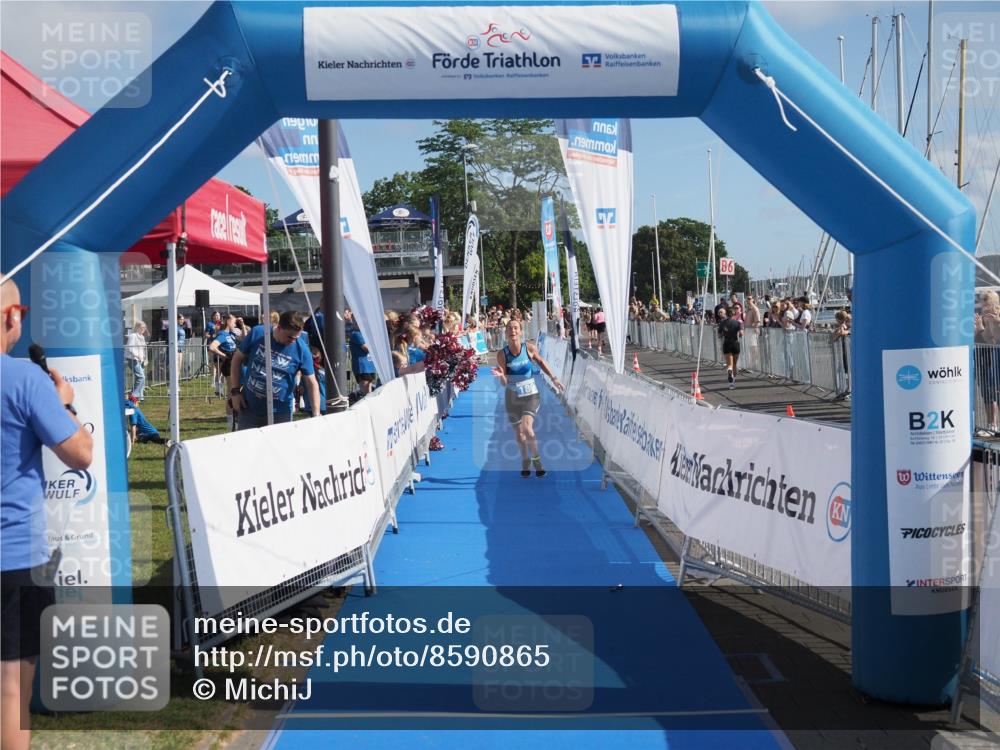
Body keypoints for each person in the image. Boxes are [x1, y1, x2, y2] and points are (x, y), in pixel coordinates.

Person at [1, 279, 93, 750]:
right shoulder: (24, 379)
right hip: (16, 556)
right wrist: (66, 405)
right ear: (12, 316)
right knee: (12, 690)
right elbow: (81, 454)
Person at [493, 319, 563, 478]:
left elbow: (542, 362)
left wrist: (554, 378)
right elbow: (504, 382)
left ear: (520, 331)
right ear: (506, 333)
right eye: (509, 328)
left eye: (516, 328)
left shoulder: (529, 348)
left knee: (527, 428)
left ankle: (537, 459)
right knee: (519, 434)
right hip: (512, 395)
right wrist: (501, 376)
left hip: (530, 394)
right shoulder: (502, 354)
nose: (513, 331)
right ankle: (525, 460)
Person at [229, 310, 321, 429]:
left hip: (280, 412)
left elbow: (311, 382)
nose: (292, 341)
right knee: (248, 446)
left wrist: (316, 414)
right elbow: (237, 359)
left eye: (296, 337)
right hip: (250, 408)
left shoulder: (302, 349)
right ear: (279, 328)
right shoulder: (258, 333)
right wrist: (235, 392)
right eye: (289, 337)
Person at [348, 320, 377, 396]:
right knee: (366, 392)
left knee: (369, 391)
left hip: (370, 366)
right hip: (362, 367)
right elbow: (367, 348)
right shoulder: (356, 334)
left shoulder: (366, 335)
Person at [717, 307, 743, 389]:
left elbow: (719, 335)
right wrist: (738, 334)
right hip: (735, 343)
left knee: (729, 364)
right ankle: (733, 383)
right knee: (735, 364)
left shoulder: (722, 323)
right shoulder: (738, 323)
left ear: (726, 314)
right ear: (734, 314)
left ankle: (729, 373)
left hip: (726, 343)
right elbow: (741, 333)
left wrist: (724, 333)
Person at [125, 321, 148, 401]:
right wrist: (137, 356)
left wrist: (144, 358)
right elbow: (130, 348)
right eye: (141, 328)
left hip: (141, 359)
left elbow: (143, 349)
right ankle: (134, 395)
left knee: (140, 377)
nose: (143, 329)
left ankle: (139, 396)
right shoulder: (133, 336)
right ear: (137, 328)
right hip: (133, 358)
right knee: (141, 377)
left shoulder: (142, 337)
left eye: (144, 328)